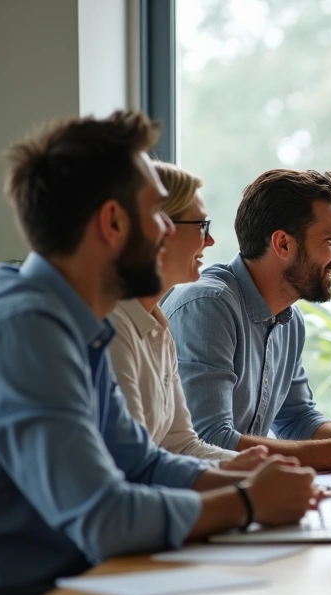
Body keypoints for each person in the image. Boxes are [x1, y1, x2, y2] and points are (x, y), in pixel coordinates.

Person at [0, 112, 318, 595]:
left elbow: (142, 462)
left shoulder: (74, 319)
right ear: (112, 223)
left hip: (71, 590)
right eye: (158, 214)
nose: (168, 231)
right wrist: (245, 503)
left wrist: (233, 474)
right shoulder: (24, 329)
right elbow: (103, 518)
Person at [163, 169, 331, 472]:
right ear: (283, 244)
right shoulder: (208, 306)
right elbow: (211, 442)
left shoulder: (290, 319)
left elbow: (298, 419)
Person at [106, 162, 265, 468]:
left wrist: (251, 468)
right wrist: (247, 487)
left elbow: (181, 444)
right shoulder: (112, 327)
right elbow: (133, 466)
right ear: (159, 229)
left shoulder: (156, 325)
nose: (210, 241)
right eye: (201, 227)